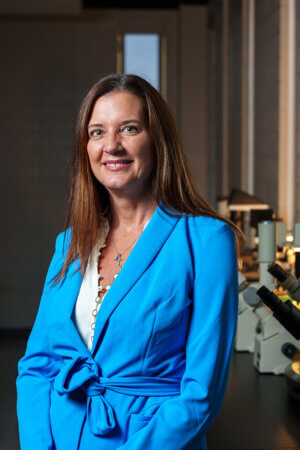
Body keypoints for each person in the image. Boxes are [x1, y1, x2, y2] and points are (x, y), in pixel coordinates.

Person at [16, 73, 244, 450]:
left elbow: (201, 394)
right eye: (97, 132)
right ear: (85, 148)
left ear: (158, 141)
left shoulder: (207, 241)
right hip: (61, 436)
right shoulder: (70, 243)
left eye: (130, 129)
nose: (112, 146)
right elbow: (37, 367)